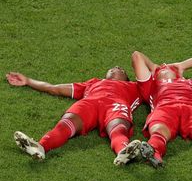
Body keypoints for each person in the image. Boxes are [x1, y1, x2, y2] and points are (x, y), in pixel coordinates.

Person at [6, 66, 142, 165]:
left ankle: (123, 152)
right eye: (112, 68)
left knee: (118, 129)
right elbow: (54, 88)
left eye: (121, 69)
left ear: (126, 77)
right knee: (65, 124)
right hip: (90, 103)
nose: (115, 68)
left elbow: (159, 87)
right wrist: (27, 81)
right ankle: (39, 147)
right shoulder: (93, 83)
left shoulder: (135, 87)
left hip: (116, 104)